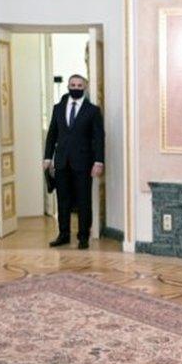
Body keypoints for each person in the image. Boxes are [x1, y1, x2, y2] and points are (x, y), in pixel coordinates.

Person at [42, 74, 105, 250]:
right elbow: (52, 134)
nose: (75, 87)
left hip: (84, 163)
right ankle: (63, 234)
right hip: (62, 162)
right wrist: (47, 158)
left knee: (83, 200)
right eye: (72, 84)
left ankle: (83, 236)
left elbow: (98, 138)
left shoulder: (92, 110)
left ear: (84, 88)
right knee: (63, 200)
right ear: (68, 86)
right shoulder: (58, 108)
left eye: (79, 85)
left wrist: (98, 161)